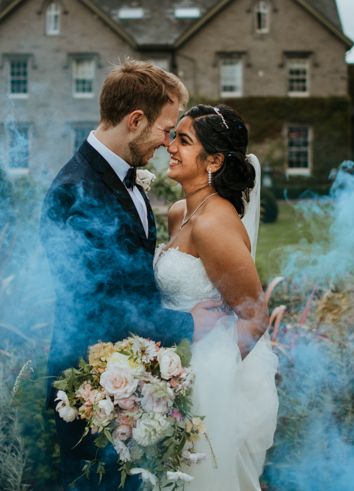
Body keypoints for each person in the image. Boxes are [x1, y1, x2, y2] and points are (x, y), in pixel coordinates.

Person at [41, 60, 224, 490]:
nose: (167, 143)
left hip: (130, 384)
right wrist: (190, 322)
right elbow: (104, 302)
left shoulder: (125, 180)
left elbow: (133, 279)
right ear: (135, 120)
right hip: (90, 392)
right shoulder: (77, 190)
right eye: (165, 130)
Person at [155, 103, 279, 490]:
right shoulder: (180, 213)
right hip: (172, 365)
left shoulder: (214, 224)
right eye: (174, 136)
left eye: (184, 140)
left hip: (204, 386)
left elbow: (255, 317)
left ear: (213, 160)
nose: (171, 147)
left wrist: (211, 377)